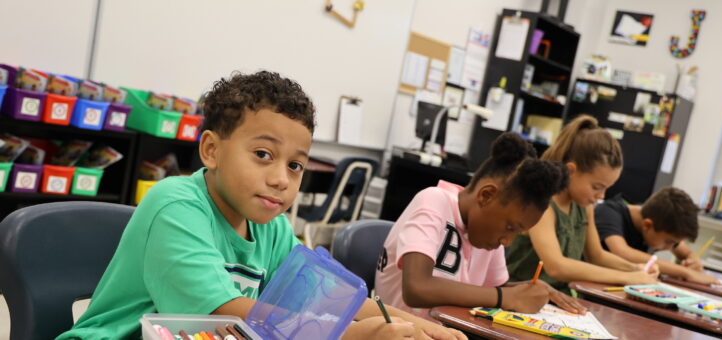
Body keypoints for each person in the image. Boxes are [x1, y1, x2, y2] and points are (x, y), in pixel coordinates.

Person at [58, 71, 464, 340]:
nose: (281, 179)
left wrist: (421, 327)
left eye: (295, 165)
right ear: (212, 150)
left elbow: (326, 299)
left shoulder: (272, 227)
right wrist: (353, 335)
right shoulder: (175, 205)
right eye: (263, 155)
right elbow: (224, 313)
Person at [376, 132, 587, 320]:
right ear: (486, 195)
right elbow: (416, 288)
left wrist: (531, 290)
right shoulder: (433, 202)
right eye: (511, 228)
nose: (508, 241)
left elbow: (494, 289)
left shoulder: (486, 234)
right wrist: (506, 297)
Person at [506, 115, 659, 294]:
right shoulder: (543, 202)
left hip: (558, 299)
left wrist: (635, 268)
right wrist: (628, 278)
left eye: (606, 189)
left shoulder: (584, 207)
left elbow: (596, 255)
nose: (601, 196)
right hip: (520, 297)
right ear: (571, 171)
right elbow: (556, 266)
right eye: (596, 187)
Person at [595, 186, 719, 284]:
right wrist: (686, 272)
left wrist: (692, 259)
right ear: (647, 225)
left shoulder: (657, 221)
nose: (671, 248)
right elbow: (622, 252)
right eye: (668, 242)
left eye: (674, 243)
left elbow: (684, 251)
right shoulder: (609, 213)